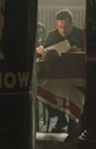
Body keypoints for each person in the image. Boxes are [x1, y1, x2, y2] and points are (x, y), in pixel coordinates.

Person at [35, 9, 85, 137]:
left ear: (72, 24)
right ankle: (60, 117)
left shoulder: (80, 35)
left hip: (77, 75)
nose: (62, 30)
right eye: (59, 27)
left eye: (66, 26)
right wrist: (42, 52)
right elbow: (44, 51)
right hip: (56, 76)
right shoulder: (52, 36)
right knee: (41, 89)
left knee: (72, 91)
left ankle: (74, 123)